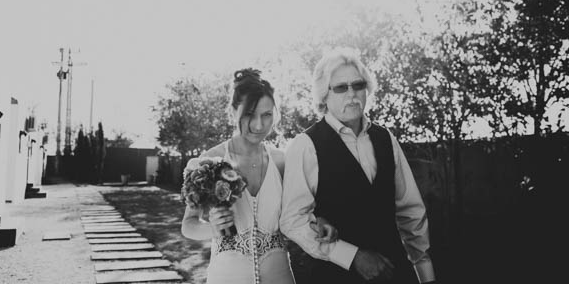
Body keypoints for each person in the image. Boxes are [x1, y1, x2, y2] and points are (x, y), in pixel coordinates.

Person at [280, 47, 436, 284]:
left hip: (395, 273)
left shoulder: (385, 139)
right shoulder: (306, 146)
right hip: (335, 277)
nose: (352, 94)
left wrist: (426, 275)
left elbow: (410, 211)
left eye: (358, 85)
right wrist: (351, 256)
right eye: (341, 87)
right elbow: (293, 220)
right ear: (324, 95)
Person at [181, 68, 337, 284]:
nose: (258, 125)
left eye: (266, 115)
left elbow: (300, 212)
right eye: (249, 115)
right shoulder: (209, 162)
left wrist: (318, 219)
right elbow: (188, 225)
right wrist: (212, 229)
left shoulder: (283, 162)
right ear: (233, 111)